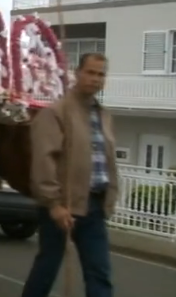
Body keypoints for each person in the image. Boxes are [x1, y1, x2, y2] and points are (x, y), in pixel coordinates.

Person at [23, 53, 119, 297]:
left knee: (99, 273)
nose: (96, 79)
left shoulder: (103, 115)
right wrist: (54, 204)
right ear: (78, 74)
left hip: (94, 206)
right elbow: (44, 161)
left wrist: (111, 195)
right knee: (47, 269)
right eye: (91, 72)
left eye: (101, 74)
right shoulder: (56, 112)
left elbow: (107, 161)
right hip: (62, 206)